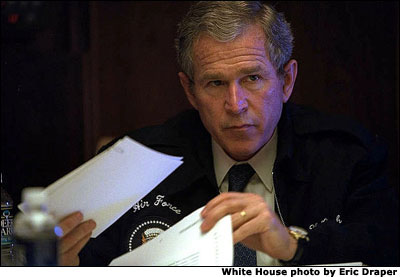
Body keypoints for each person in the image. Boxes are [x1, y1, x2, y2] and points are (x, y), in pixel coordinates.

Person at [57, 1, 398, 266]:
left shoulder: (351, 157)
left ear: (286, 80)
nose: (235, 104)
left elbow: (383, 257)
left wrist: (293, 246)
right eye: (215, 83)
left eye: (252, 78)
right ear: (190, 91)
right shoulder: (133, 166)